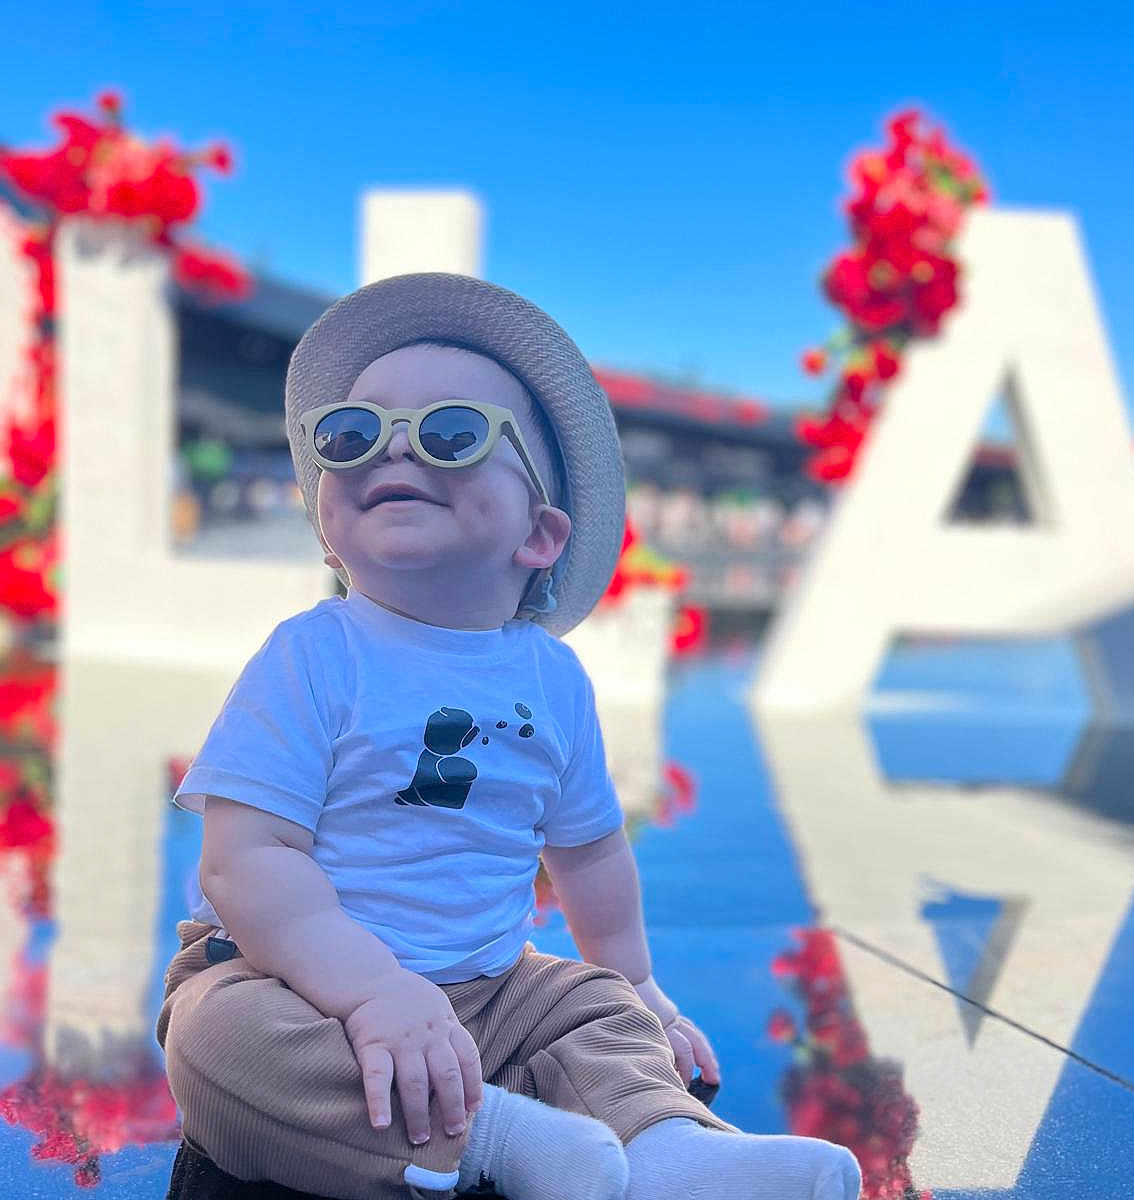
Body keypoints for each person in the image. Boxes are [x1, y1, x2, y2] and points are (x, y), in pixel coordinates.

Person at [155, 273, 862, 1200]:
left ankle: (661, 1150)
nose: (392, 450)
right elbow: (244, 864)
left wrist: (637, 985)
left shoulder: (553, 679)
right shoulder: (314, 655)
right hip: (292, 981)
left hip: (493, 989)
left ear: (541, 533)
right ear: (329, 529)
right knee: (218, 1041)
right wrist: (371, 992)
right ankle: (491, 1142)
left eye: (451, 433)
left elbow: (592, 848)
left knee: (591, 1012)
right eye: (352, 434)